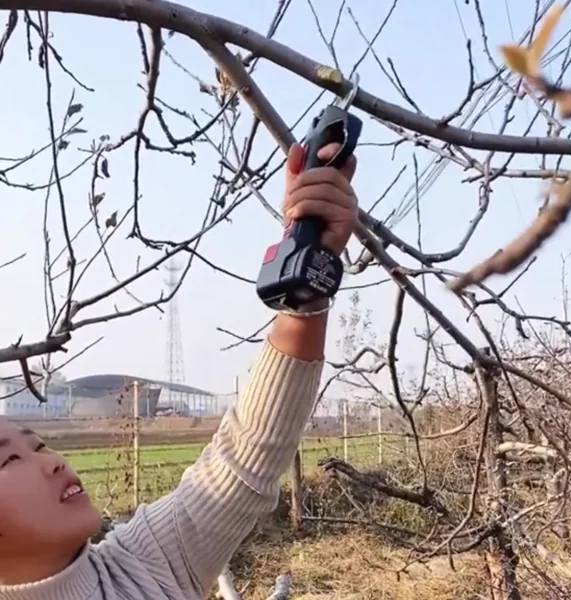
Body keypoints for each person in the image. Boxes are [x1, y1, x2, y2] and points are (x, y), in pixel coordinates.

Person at [0, 141, 358, 600]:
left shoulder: (144, 566)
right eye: (9, 460)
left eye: (38, 445)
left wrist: (308, 265)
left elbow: (245, 457)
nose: (52, 462)